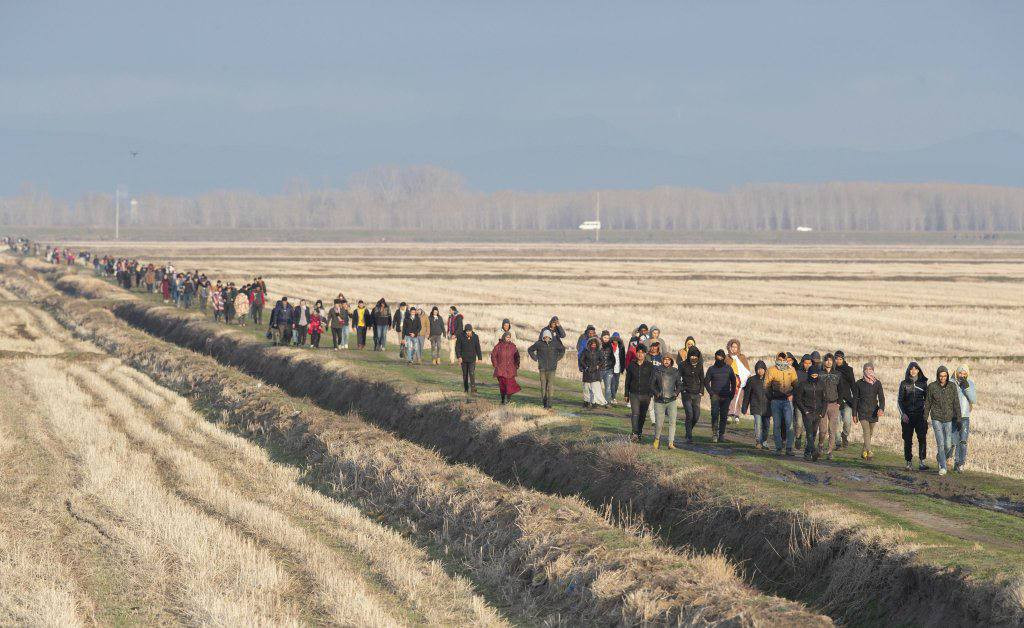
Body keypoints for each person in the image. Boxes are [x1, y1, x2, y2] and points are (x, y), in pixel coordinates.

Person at [924, 365, 962, 475]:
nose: (942, 378)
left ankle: (939, 457)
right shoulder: (932, 387)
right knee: (940, 443)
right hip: (936, 418)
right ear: (937, 376)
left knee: (948, 445)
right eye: (940, 376)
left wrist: (959, 418)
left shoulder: (952, 386)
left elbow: (956, 403)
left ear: (947, 376)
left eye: (944, 376)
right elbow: (928, 403)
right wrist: (925, 418)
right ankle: (943, 467)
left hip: (948, 419)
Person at [897, 361, 930, 471]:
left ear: (919, 370)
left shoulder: (923, 383)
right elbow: (900, 401)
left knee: (922, 438)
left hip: (920, 416)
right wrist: (903, 414)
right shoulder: (904, 383)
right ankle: (908, 462)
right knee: (907, 439)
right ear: (908, 370)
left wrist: (925, 414)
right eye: (911, 369)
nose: (913, 371)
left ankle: (922, 462)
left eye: (916, 369)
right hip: (907, 416)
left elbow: (928, 400)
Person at [765, 351, 798, 456]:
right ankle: (778, 447)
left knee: (790, 425)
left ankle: (789, 448)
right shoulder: (771, 370)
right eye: (780, 359)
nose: (782, 361)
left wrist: (792, 394)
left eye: (784, 360)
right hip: (775, 401)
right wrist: (771, 397)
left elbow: (796, 384)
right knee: (777, 425)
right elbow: (766, 386)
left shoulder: (791, 370)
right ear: (777, 359)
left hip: (787, 401)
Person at [852, 362, 885, 460]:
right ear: (863, 371)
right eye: (866, 369)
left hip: (874, 412)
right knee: (866, 431)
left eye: (871, 369)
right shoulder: (859, 383)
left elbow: (882, 398)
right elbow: (855, 399)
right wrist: (854, 414)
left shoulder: (877, 383)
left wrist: (881, 408)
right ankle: (869, 451)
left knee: (870, 433)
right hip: (862, 411)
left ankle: (863, 452)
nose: (869, 371)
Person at [703, 349, 737, 443]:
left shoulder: (729, 368)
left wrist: (732, 393)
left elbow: (733, 381)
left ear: (724, 358)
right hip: (715, 397)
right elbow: (706, 382)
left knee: (724, 416)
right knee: (714, 415)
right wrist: (711, 393)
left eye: (721, 357)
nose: (719, 359)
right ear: (715, 357)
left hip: (726, 397)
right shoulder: (711, 369)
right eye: (717, 357)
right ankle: (714, 434)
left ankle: (721, 434)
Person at [794, 365, 826, 460]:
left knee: (814, 433)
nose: (814, 377)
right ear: (809, 375)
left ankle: (807, 453)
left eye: (816, 375)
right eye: (813, 375)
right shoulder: (803, 384)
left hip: (818, 412)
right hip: (807, 412)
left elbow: (825, 399)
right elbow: (798, 399)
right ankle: (814, 451)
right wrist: (805, 411)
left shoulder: (821, 384)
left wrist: (822, 413)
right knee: (809, 433)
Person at [624, 346, 655, 442]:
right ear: (636, 353)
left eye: (642, 352)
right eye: (638, 352)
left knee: (642, 415)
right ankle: (634, 433)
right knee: (635, 413)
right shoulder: (631, 365)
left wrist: (651, 392)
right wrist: (626, 393)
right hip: (634, 393)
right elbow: (627, 380)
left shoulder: (650, 366)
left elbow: (653, 380)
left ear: (645, 354)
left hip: (646, 394)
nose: (640, 354)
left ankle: (639, 432)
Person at [528, 329, 566, 408]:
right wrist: (535, 358)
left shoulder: (555, 344)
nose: (546, 338)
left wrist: (557, 358)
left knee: (550, 385)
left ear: (550, 337)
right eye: (545, 336)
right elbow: (530, 350)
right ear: (543, 337)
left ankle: (550, 403)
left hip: (552, 368)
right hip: (542, 368)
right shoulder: (539, 343)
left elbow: (562, 350)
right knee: (543, 385)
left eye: (548, 336)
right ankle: (545, 402)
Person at [818, 354, 844, 460]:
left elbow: (841, 389)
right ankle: (820, 446)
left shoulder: (838, 374)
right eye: (826, 360)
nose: (828, 362)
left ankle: (829, 451)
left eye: (830, 360)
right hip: (822, 405)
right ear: (823, 362)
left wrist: (839, 402)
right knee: (823, 430)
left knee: (832, 430)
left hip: (834, 404)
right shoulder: (819, 374)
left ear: (833, 362)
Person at [651, 355, 681, 449]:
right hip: (659, 400)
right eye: (665, 359)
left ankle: (671, 443)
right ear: (662, 360)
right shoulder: (657, 370)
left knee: (672, 422)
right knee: (659, 423)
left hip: (672, 400)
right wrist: (657, 393)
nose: (666, 361)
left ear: (671, 361)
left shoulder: (675, 371)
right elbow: (651, 384)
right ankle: (656, 439)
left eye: (669, 360)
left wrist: (676, 393)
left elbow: (679, 385)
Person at [952, 365, 976, 473]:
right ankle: (944, 459)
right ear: (957, 373)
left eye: (964, 373)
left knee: (963, 441)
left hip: (965, 417)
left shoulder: (970, 383)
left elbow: (973, 399)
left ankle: (960, 464)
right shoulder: (951, 382)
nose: (962, 375)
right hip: (953, 416)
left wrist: (966, 388)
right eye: (960, 373)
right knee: (952, 442)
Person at [679, 346, 705, 444]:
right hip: (686, 393)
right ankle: (689, 436)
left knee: (696, 415)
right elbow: (679, 378)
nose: (694, 357)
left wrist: (701, 390)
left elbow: (702, 378)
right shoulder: (682, 365)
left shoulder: (700, 365)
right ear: (689, 355)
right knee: (689, 414)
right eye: (692, 355)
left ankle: (688, 430)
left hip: (697, 393)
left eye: (696, 356)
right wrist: (682, 389)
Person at [742, 360, 770, 449]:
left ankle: (764, 441)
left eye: (762, 369)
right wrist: (744, 408)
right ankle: (758, 441)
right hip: (756, 406)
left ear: (765, 369)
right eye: (758, 369)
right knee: (758, 425)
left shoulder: (769, 380)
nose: (760, 371)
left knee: (766, 426)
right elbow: (747, 395)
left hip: (767, 407)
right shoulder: (751, 380)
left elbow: (773, 394)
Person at [490, 331, 521, 404]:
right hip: (500, 370)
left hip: (510, 369)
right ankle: (503, 400)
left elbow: (517, 356)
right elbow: (493, 355)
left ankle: (508, 400)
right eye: (507, 337)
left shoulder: (513, 346)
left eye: (509, 337)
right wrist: (496, 365)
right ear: (504, 337)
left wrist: (517, 364)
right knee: (503, 386)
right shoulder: (498, 346)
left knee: (510, 386)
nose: (508, 339)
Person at [834, 350, 856, 450]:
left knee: (847, 423)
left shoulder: (848, 370)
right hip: (834, 400)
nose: (838, 361)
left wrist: (855, 399)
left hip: (847, 401)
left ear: (843, 359)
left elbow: (853, 385)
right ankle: (838, 443)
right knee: (836, 423)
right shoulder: (832, 370)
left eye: (840, 359)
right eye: (836, 359)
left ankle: (844, 435)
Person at [725, 339, 750, 422]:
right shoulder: (727, 358)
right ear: (730, 347)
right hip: (730, 379)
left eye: (736, 347)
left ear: (738, 348)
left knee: (739, 397)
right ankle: (729, 413)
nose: (734, 348)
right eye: (733, 347)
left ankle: (737, 415)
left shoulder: (742, 357)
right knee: (730, 396)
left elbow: (746, 369)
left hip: (740, 380)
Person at [579, 336, 607, 408]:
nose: (593, 346)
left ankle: (595, 402)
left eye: (594, 345)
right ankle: (586, 401)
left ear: (597, 345)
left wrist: (598, 366)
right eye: (592, 345)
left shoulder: (599, 351)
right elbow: (581, 360)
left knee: (595, 388)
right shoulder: (585, 351)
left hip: (596, 372)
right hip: (587, 371)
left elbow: (602, 360)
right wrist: (585, 367)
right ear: (589, 344)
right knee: (586, 388)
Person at [792, 354, 813, 449]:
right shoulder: (797, 373)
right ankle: (798, 438)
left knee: (808, 424)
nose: (807, 365)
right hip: (799, 403)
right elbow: (794, 386)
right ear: (802, 363)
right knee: (799, 423)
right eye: (806, 363)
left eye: (809, 363)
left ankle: (806, 442)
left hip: (810, 403)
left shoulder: (814, 374)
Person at [455, 324, 483, 395]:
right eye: (467, 331)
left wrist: (479, 358)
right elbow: (457, 348)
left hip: (472, 359)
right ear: (465, 331)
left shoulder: (475, 337)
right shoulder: (460, 337)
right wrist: (459, 357)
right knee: (465, 374)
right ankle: (466, 388)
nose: (468, 333)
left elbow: (478, 348)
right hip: (463, 359)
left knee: (472, 373)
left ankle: (473, 389)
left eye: (469, 331)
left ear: (471, 331)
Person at [601, 331, 625, 404]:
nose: (615, 341)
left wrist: (622, 368)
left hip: (618, 367)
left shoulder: (621, 347)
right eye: (614, 339)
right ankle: (611, 398)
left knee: (616, 383)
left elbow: (623, 357)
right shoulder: (609, 345)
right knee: (611, 384)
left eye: (617, 339)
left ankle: (613, 397)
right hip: (610, 367)